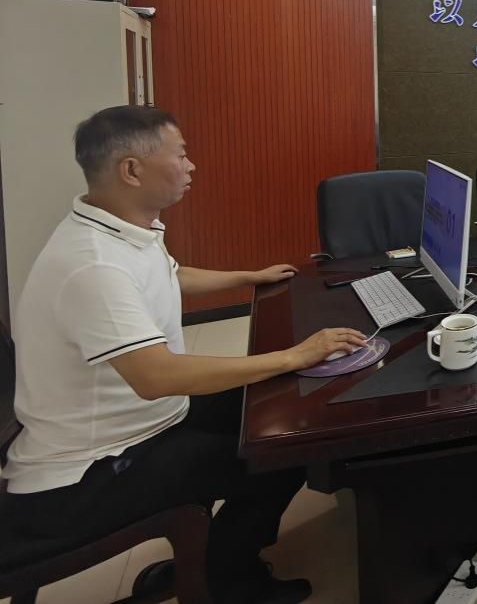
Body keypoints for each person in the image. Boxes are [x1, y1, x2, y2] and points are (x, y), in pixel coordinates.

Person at [0, 106, 365, 604]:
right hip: (88, 473)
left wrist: (250, 277)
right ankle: (230, 584)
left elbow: (170, 275)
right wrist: (293, 355)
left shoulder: (119, 224)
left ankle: (212, 559)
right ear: (132, 170)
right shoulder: (92, 266)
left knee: (278, 408)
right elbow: (157, 375)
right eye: (181, 155)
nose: (190, 166)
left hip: (140, 421)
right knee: (279, 453)